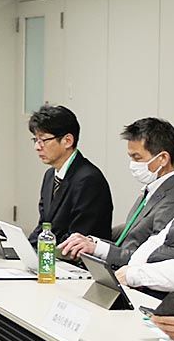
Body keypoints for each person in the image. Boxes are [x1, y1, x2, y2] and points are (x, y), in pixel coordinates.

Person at [60, 118, 174, 266]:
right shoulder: (151, 191)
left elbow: (153, 259)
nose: (133, 164)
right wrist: (92, 243)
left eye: (137, 158)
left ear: (163, 158)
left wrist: (97, 248)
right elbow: (128, 242)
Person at [26, 105, 112, 245]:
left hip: (75, 256)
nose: (37, 147)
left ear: (67, 141)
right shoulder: (50, 175)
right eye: (35, 140)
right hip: (51, 252)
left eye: (43, 140)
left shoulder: (88, 180)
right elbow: (44, 227)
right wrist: (23, 248)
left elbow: (78, 237)